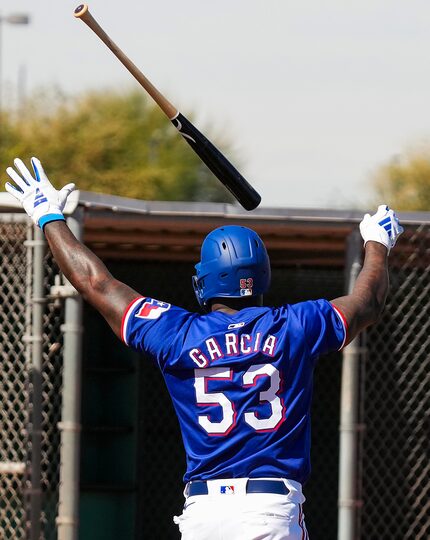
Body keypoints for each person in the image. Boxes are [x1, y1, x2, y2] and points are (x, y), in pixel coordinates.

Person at [5, 157, 403, 540]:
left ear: (205, 283)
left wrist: (49, 217)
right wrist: (377, 244)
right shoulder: (294, 325)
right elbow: (367, 303)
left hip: (204, 514)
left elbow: (96, 284)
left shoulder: (177, 333)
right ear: (263, 276)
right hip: (269, 508)